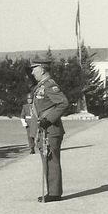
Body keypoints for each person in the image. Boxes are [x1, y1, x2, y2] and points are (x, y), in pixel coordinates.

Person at [26, 60, 69, 203]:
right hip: (44, 129)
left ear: (42, 70)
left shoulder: (50, 85)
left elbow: (63, 103)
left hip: (51, 129)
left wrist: (49, 119)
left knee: (51, 161)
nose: (32, 73)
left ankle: (55, 193)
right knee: (47, 160)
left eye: (34, 70)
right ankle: (52, 191)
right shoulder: (40, 86)